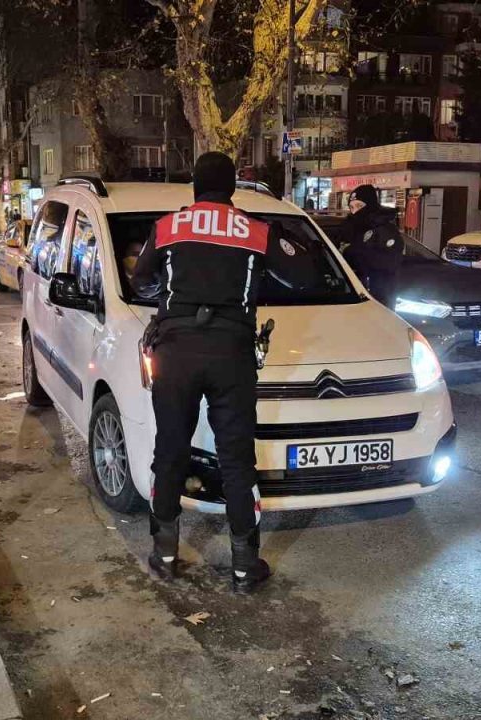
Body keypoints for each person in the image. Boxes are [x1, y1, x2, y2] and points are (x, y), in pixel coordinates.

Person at [131, 151, 313, 594]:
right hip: (232, 353)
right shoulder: (255, 230)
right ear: (232, 187)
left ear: (194, 185)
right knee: (236, 457)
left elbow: (141, 281)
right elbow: (302, 276)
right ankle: (245, 568)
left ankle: (164, 555)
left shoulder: (168, 226)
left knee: (170, 449)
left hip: (175, 352)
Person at [337, 184, 404, 309]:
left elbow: (389, 262)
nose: (355, 211)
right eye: (352, 207)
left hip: (380, 298)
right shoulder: (349, 228)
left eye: (359, 206)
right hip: (354, 297)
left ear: (371, 205)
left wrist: (354, 252)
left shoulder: (385, 230)